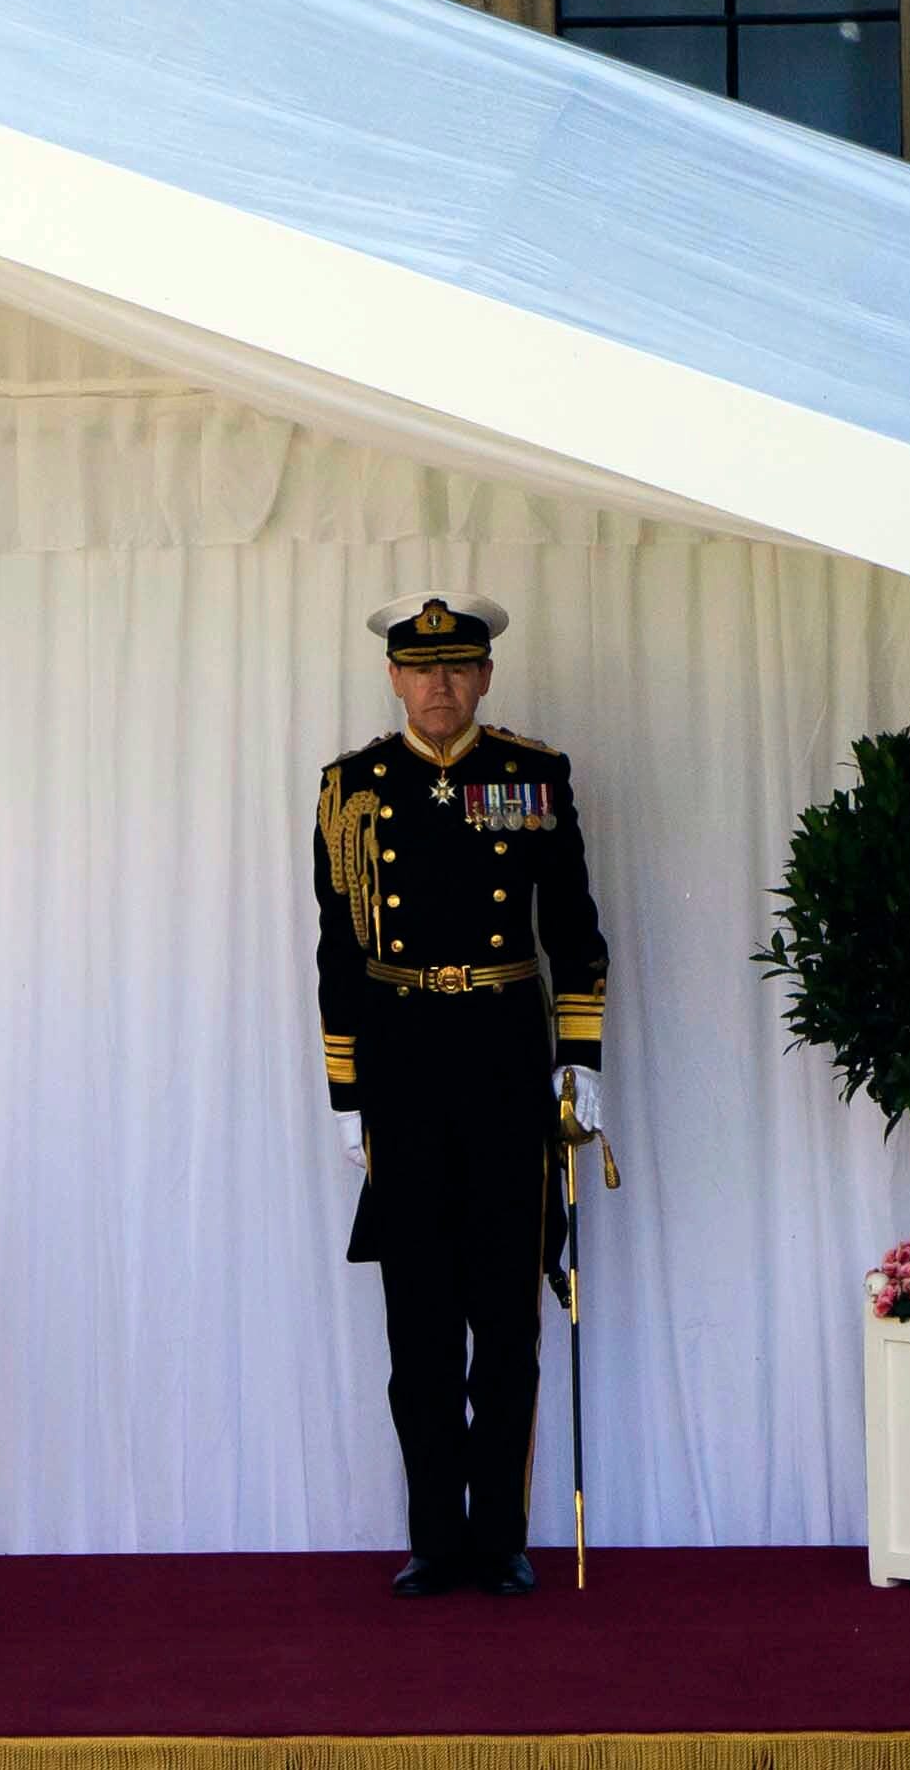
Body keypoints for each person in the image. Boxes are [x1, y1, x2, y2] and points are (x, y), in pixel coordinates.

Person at [311, 593, 608, 1599]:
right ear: (394, 676)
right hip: (399, 1056)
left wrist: (581, 1060)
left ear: (485, 676)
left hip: (503, 1055)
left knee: (506, 1310)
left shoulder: (532, 775)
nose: (439, 685)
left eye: (457, 667)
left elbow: (572, 926)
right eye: (421, 668)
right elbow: (338, 951)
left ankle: (503, 1536)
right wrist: (347, 1093)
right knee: (418, 1316)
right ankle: (436, 1538)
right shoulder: (351, 788)